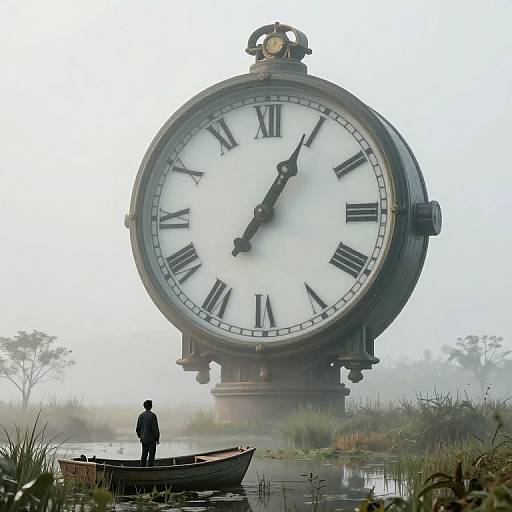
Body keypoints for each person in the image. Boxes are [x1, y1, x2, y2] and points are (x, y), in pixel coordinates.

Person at [136, 399, 160, 467]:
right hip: (151, 440)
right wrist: (157, 439)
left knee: (144, 455)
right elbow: (155, 429)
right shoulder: (153, 416)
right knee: (151, 457)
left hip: (143, 439)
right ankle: (149, 470)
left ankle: (142, 469)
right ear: (151, 406)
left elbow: (138, 428)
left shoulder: (141, 415)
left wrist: (140, 436)